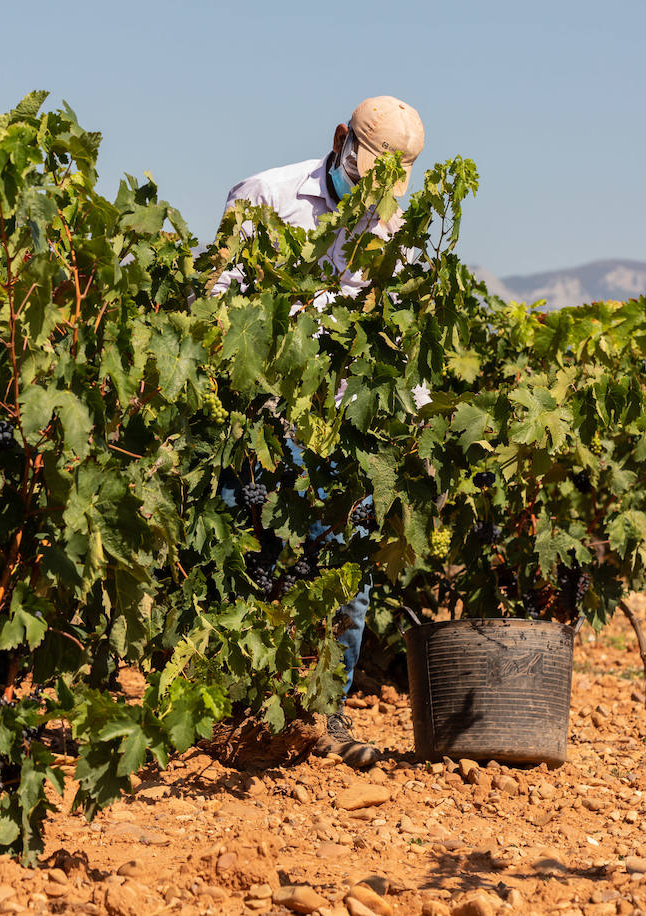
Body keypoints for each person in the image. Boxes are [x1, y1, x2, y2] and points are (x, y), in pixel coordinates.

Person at [216, 96, 425, 769]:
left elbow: (403, 339)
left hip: (343, 429)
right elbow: (218, 305)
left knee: (345, 576)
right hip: (263, 423)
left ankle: (325, 712)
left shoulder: (397, 233)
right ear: (338, 142)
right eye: (362, 178)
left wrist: (417, 427)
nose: (368, 198)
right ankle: (236, 719)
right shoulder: (266, 196)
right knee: (252, 566)